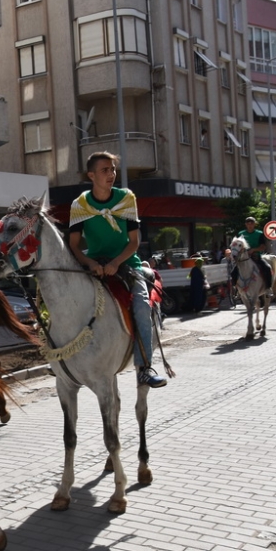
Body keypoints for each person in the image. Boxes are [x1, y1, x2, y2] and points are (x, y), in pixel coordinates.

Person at [67, 151, 166, 389]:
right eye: (105, 170)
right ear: (91, 175)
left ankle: (144, 368)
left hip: (126, 263)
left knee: (142, 306)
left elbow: (133, 242)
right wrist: (90, 264)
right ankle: (61, 359)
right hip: (94, 264)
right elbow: (74, 245)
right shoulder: (79, 204)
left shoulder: (126, 198)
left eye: (113, 169)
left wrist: (116, 264)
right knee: (64, 299)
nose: (111, 174)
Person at [233, 216, 273, 294]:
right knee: (234, 270)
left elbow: (263, 247)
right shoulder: (241, 234)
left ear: (255, 224)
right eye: (248, 224)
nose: (250, 225)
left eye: (252, 223)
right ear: (246, 224)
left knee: (267, 268)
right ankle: (235, 288)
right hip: (243, 258)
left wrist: (254, 250)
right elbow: (236, 245)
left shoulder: (260, 234)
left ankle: (268, 288)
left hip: (256, 256)